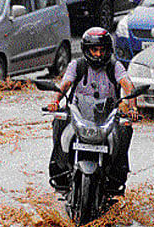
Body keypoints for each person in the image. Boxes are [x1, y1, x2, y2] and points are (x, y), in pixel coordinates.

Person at [47, 27, 139, 196]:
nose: (98, 54)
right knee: (59, 120)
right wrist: (55, 101)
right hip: (79, 114)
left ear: (108, 50)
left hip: (107, 117)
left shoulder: (115, 66)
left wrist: (132, 107)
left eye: (102, 50)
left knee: (125, 127)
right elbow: (65, 84)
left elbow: (127, 85)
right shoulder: (77, 65)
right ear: (86, 49)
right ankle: (59, 170)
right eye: (94, 50)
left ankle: (117, 176)